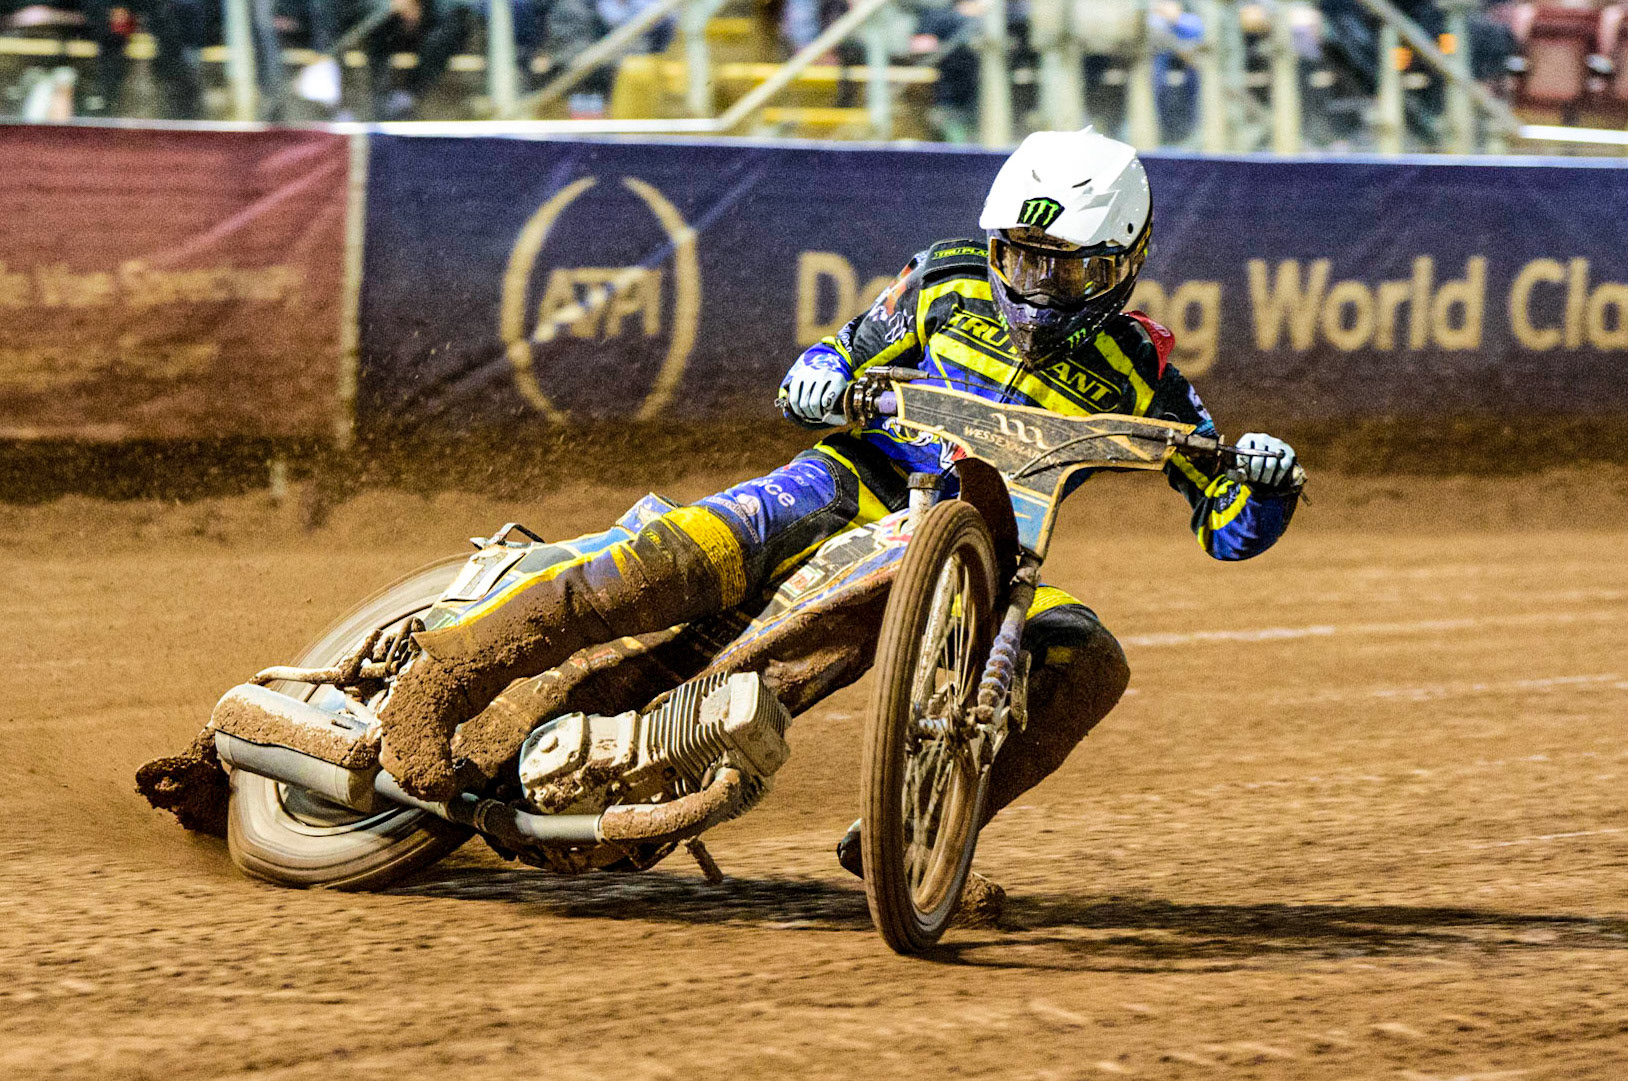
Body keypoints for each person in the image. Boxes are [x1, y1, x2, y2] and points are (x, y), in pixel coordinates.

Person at [375, 127, 1304, 907]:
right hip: (847, 483)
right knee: (682, 555)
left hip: (988, 550)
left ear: (1122, 265)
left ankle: (916, 830)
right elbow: (827, 361)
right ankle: (439, 682)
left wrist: (1261, 482)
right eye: (1021, 260)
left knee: (1088, 657)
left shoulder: (1145, 376)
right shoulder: (943, 281)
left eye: (1065, 272)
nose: (1035, 288)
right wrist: (823, 379)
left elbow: (1225, 525)